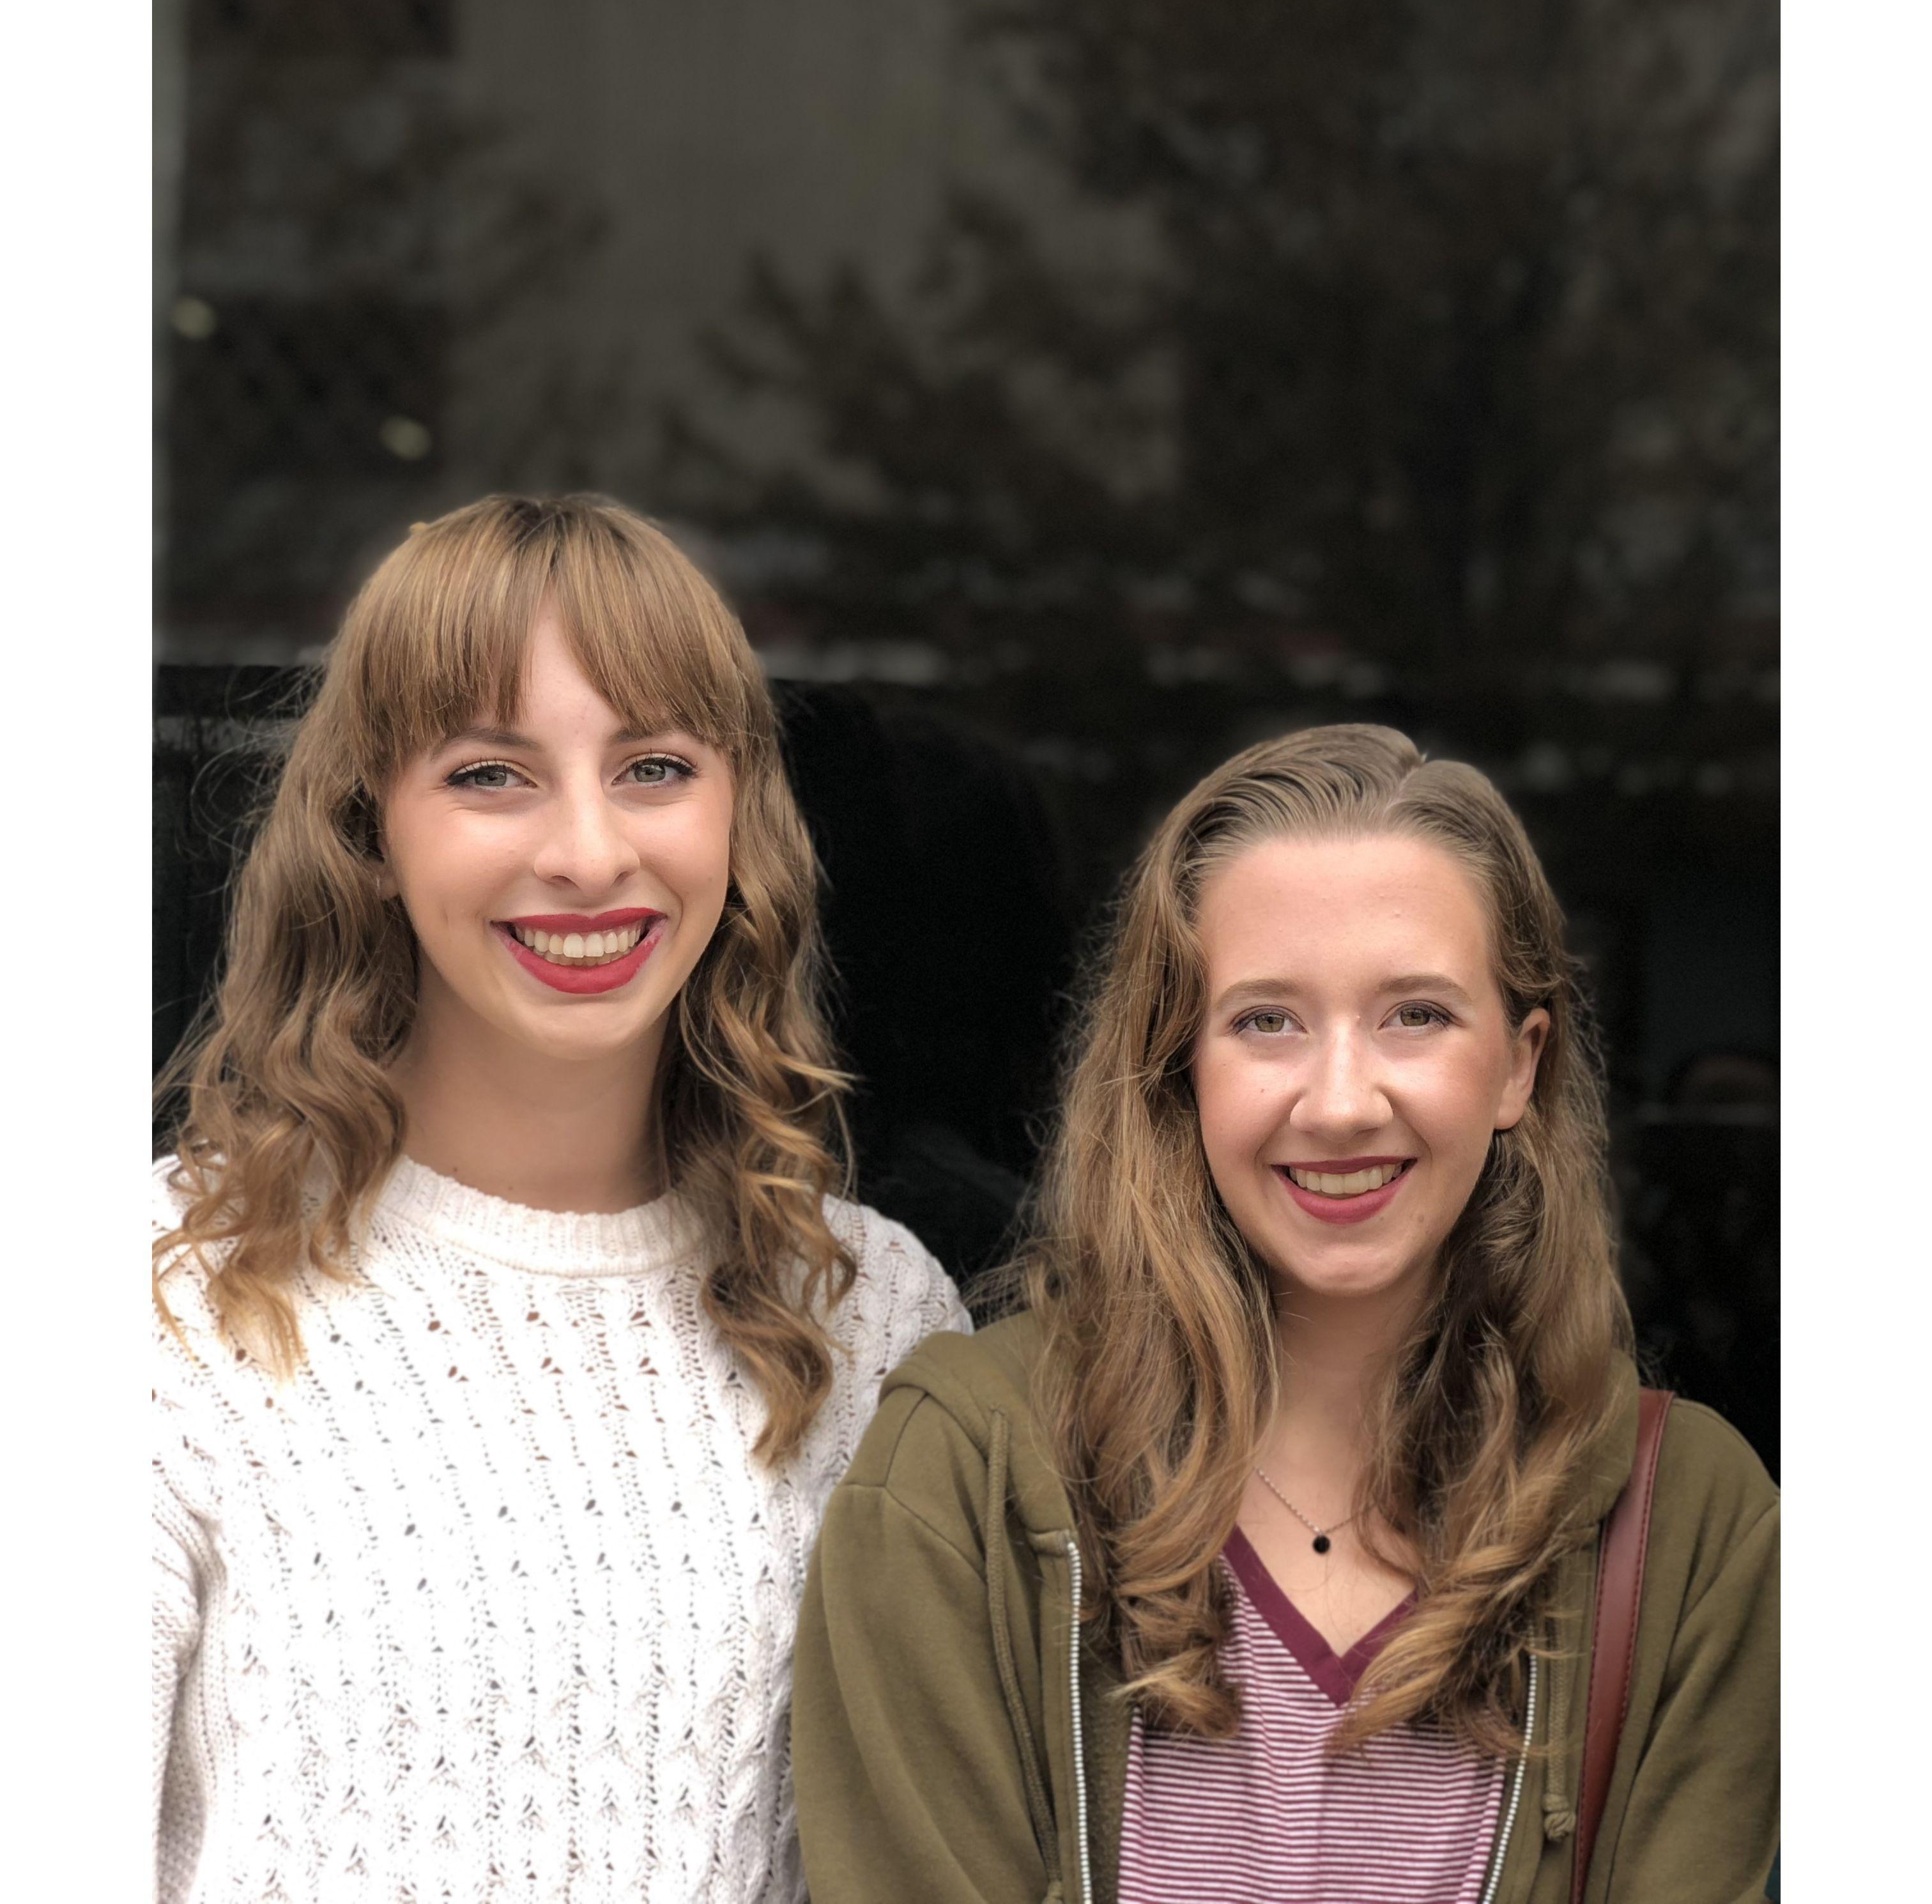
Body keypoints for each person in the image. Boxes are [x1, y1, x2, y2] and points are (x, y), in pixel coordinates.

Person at [791, 725, 1777, 1903]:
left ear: (1520, 1065)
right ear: (1179, 1066)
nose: (1342, 1102)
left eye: (1416, 1014)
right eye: (1267, 1020)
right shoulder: (964, 1476)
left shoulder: (1688, 1528)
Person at [151, 494, 969, 1903]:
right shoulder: (166, 1288)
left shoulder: (872, 1312)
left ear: (740, 820)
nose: (588, 852)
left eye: (655, 767)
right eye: (491, 775)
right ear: (367, 831)